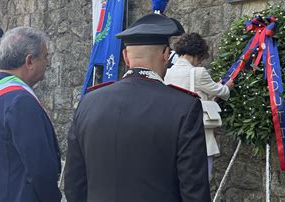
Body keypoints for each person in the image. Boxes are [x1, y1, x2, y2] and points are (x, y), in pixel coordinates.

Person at [64, 13, 211, 201]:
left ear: (126, 56)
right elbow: (194, 190)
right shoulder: (184, 106)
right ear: (166, 55)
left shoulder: (88, 102)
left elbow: (74, 184)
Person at [0, 26, 62, 202]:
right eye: (45, 57)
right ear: (29, 61)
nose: (48, 63)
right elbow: (39, 168)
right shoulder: (19, 101)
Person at [165, 33, 234, 177]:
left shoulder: (168, 73)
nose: (200, 62)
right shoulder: (198, 73)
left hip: (175, 130)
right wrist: (227, 86)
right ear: (197, 54)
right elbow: (222, 92)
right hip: (198, 131)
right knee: (202, 178)